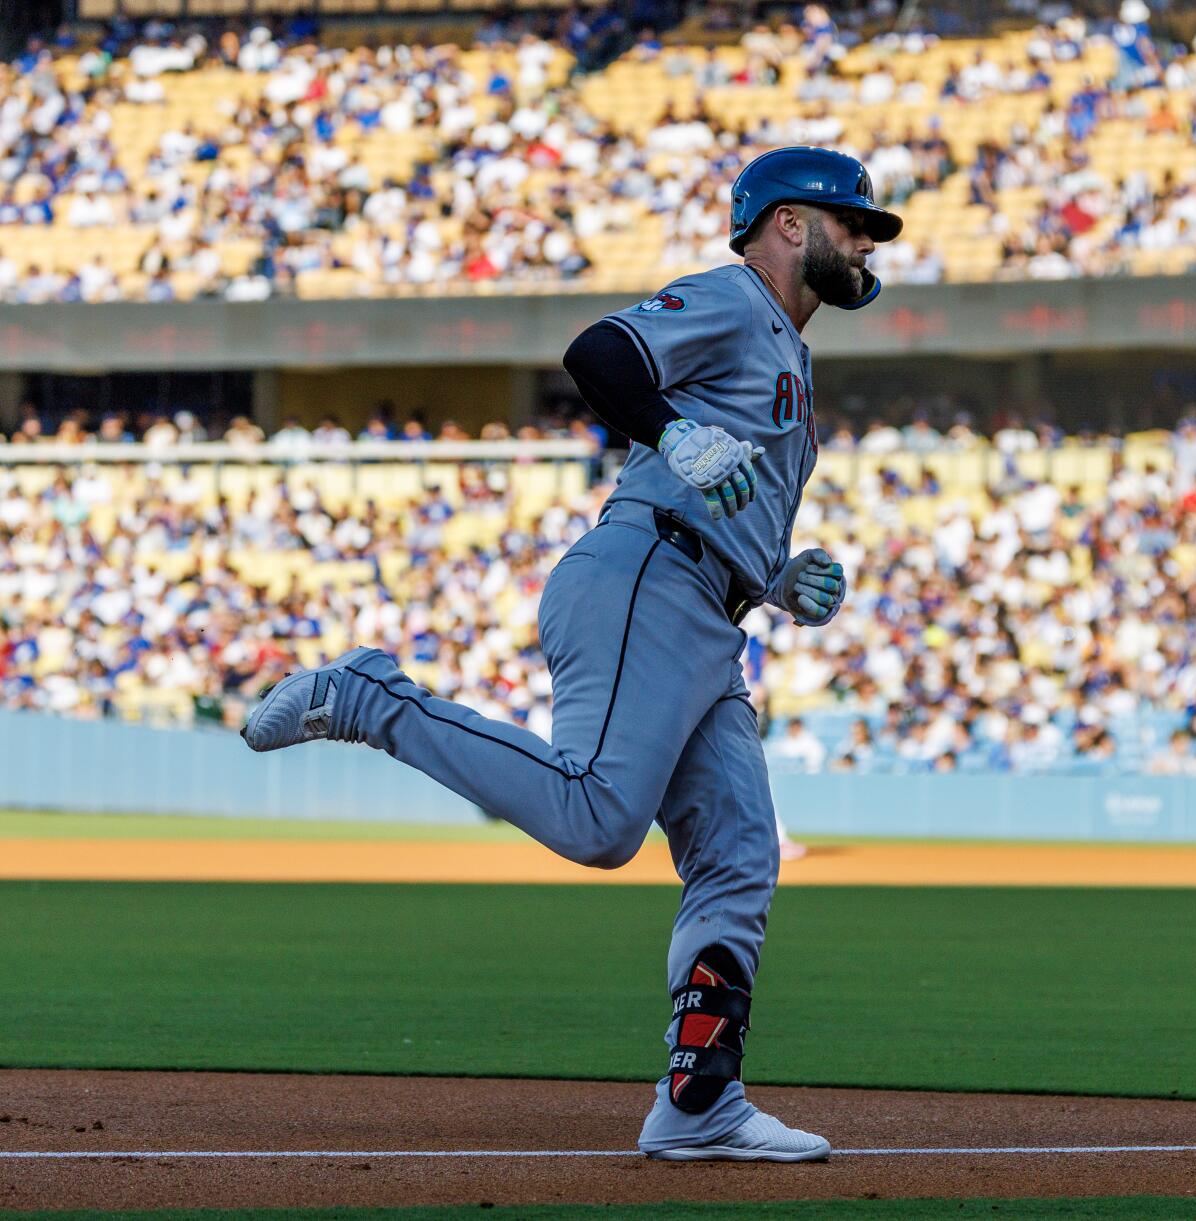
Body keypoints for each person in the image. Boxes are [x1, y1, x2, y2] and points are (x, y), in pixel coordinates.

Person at [239, 147, 901, 1160]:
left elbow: (719, 492)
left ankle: (698, 1107)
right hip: (644, 579)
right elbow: (598, 356)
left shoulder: (788, 353)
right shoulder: (732, 298)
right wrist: (675, 434)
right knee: (599, 819)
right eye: (849, 221)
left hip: (705, 611)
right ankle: (368, 698)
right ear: (785, 225)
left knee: (737, 858)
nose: (864, 241)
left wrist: (773, 576)